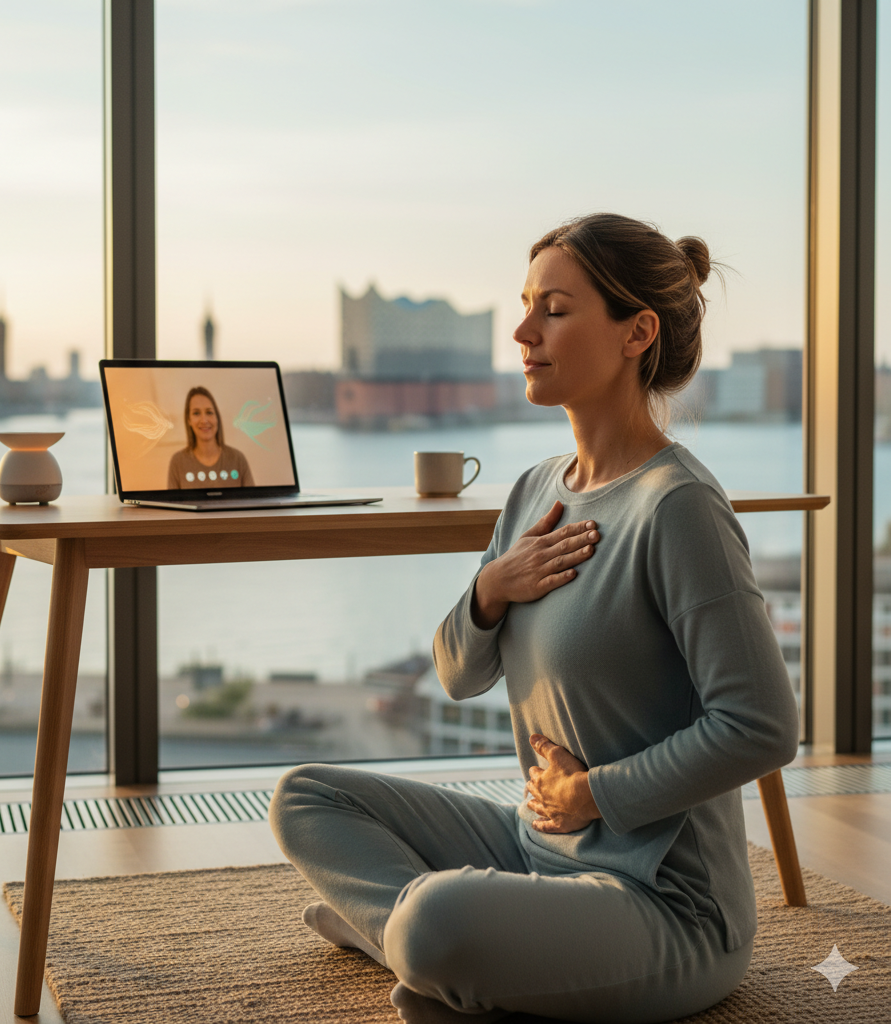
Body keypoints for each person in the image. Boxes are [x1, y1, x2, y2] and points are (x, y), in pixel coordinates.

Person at [268, 214, 800, 1024]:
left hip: (667, 906)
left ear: (637, 333)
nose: (522, 332)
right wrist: (493, 587)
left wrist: (593, 795)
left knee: (435, 917)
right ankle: (428, 948)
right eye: (525, 307)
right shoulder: (532, 492)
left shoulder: (679, 508)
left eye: (554, 309)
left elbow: (763, 726)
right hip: (534, 848)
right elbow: (457, 674)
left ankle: (419, 939)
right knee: (305, 798)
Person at [167, 386, 254, 489]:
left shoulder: (238, 459)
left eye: (209, 412)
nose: (204, 420)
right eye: (196, 413)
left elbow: (252, 502)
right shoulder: (177, 462)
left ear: (217, 417)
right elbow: (173, 504)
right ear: (189, 420)